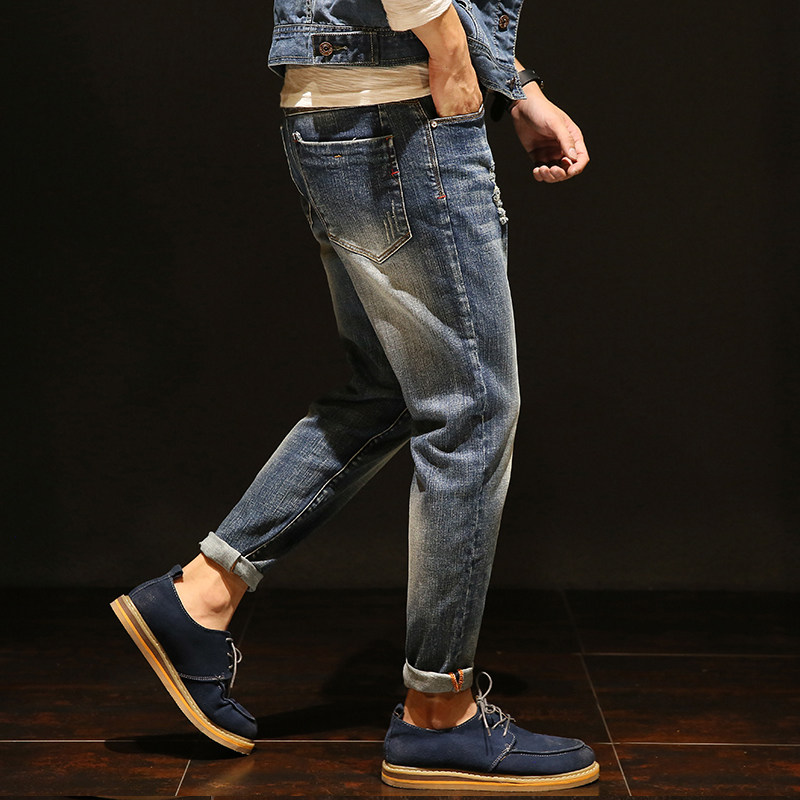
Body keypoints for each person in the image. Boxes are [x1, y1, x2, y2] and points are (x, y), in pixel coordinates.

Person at [112, 0, 596, 791]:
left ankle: (198, 597)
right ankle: (439, 714)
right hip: (401, 117)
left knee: (392, 390)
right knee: (470, 411)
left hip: (349, 111)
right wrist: (449, 51)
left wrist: (518, 87)